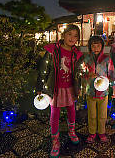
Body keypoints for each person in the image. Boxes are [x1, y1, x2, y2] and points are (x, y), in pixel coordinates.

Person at [35, 24, 83, 158]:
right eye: (69, 34)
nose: (72, 38)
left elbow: (78, 72)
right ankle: (55, 141)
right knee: (55, 113)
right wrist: (40, 86)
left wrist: (79, 86)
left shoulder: (76, 54)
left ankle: (71, 131)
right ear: (63, 35)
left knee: (71, 110)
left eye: (75, 36)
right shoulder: (52, 51)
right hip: (55, 89)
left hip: (70, 88)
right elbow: (43, 69)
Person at [81, 36, 115, 143]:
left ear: (102, 47)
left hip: (103, 93)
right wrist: (88, 75)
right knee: (91, 115)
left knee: (102, 115)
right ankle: (92, 133)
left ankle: (101, 132)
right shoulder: (86, 59)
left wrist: (114, 88)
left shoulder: (107, 59)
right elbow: (81, 73)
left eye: (98, 46)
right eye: (93, 46)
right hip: (91, 92)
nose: (96, 48)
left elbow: (112, 74)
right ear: (90, 47)